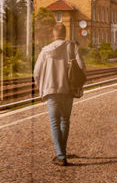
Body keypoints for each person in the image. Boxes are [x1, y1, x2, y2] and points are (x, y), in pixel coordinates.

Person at [34, 23, 85, 166]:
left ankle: (61, 155)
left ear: (53, 35)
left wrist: (41, 87)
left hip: (51, 91)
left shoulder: (45, 51)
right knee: (64, 121)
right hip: (68, 90)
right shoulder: (72, 47)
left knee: (54, 123)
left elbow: (36, 73)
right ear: (65, 33)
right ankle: (62, 152)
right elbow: (82, 68)